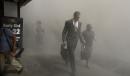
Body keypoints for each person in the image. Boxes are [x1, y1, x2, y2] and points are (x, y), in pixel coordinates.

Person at [62, 11, 84, 76]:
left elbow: (79, 33)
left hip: (75, 41)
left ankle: (67, 59)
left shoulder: (80, 23)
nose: (78, 18)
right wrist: (64, 40)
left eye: (79, 17)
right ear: (74, 16)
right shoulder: (68, 22)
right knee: (72, 55)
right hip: (69, 40)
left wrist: (82, 40)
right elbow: (64, 32)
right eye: (77, 16)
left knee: (70, 53)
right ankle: (73, 70)